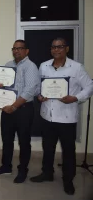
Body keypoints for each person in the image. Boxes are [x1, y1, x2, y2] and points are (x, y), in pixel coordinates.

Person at [30, 38, 93, 195]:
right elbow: (39, 86)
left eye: (60, 47)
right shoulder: (44, 66)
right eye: (53, 47)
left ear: (67, 49)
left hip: (67, 117)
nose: (56, 50)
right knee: (48, 147)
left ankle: (68, 180)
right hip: (47, 116)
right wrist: (39, 95)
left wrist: (76, 98)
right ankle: (47, 173)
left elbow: (89, 87)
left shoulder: (76, 68)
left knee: (68, 150)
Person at [0, 39, 40, 183]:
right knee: (6, 139)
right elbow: (4, 87)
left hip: (23, 109)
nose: (16, 51)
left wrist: (14, 106)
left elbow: (30, 90)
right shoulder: (8, 65)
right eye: (14, 48)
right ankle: (6, 166)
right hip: (7, 108)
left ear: (26, 51)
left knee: (24, 141)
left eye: (20, 48)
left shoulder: (31, 67)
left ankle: (23, 170)